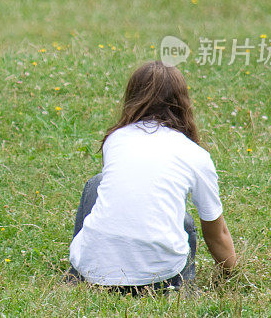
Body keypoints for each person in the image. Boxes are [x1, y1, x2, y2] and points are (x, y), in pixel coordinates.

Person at [67, 61, 237, 294]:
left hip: (96, 274)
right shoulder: (196, 155)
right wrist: (232, 276)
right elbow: (217, 233)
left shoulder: (115, 139)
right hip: (161, 281)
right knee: (185, 221)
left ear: (132, 97)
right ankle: (182, 290)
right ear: (183, 102)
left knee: (96, 184)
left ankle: (76, 274)